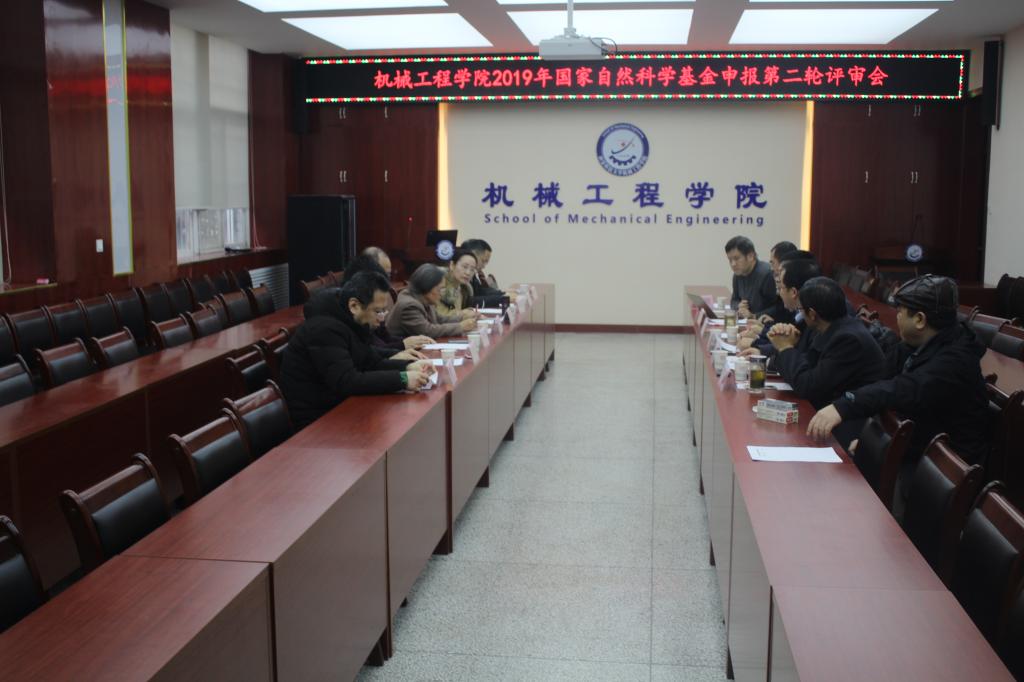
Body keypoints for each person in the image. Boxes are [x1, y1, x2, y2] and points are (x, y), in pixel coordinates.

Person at [807, 275, 991, 485]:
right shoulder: (919, 344)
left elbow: (901, 389)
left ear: (919, 320)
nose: (897, 317)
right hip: (918, 448)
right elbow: (880, 380)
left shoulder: (955, 360)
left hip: (943, 474)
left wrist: (844, 406)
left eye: (900, 312)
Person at [279, 272, 435, 430]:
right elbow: (347, 381)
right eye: (378, 311)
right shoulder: (324, 330)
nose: (382, 319)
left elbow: (371, 361)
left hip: (340, 406)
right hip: (317, 422)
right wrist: (402, 379)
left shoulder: (351, 320)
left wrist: (407, 366)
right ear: (354, 306)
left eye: (384, 311)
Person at [769, 277, 887, 448]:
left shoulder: (848, 340)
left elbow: (808, 386)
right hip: (828, 412)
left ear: (812, 314)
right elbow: (807, 369)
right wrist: (788, 344)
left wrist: (786, 348)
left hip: (852, 426)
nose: (800, 315)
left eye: (801, 310)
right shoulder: (830, 327)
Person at [340, 252, 434, 352]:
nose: (386, 282)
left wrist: (411, 341)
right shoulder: (348, 319)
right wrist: (402, 345)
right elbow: (370, 352)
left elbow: (385, 339)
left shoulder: (374, 307)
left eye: (388, 275)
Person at [740, 257, 822, 357]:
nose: (778, 293)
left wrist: (758, 344)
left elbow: (797, 353)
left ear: (793, 292)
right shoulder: (800, 314)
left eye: (781, 287)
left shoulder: (812, 320)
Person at [387, 263, 479, 339]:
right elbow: (427, 331)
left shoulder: (424, 298)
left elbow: (439, 319)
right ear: (427, 287)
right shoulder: (409, 305)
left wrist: (463, 317)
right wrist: (460, 327)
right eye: (440, 289)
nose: (442, 294)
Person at [725, 235, 776, 319]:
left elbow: (779, 307)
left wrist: (754, 316)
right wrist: (739, 306)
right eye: (730, 260)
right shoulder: (737, 275)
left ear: (750, 256)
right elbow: (734, 300)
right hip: (748, 323)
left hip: (766, 324)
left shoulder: (767, 274)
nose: (733, 264)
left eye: (736, 258)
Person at [461, 238, 511, 307]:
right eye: (483, 261)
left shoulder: (472, 274)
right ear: (472, 255)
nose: (484, 266)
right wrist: (503, 299)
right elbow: (468, 302)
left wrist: (504, 294)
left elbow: (481, 291)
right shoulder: (460, 275)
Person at [436, 248, 480, 317]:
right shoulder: (438, 284)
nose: (468, 273)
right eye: (465, 267)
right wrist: (463, 314)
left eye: (472, 269)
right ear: (452, 265)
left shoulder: (463, 289)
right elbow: (439, 317)